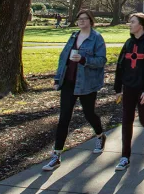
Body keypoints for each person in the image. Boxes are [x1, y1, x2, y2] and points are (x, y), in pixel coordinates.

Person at [43, 10, 107, 171]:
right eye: (80, 19)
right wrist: (58, 79)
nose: (82, 21)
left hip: (87, 84)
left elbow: (101, 61)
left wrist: (84, 60)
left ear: (91, 21)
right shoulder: (73, 36)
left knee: (89, 113)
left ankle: (100, 135)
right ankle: (56, 155)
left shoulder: (96, 38)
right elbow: (63, 58)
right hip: (69, 83)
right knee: (64, 118)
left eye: (85, 19)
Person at [113, 12, 144, 171]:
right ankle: (125, 157)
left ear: (140, 24)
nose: (130, 24)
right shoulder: (128, 43)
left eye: (132, 22)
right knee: (126, 121)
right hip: (129, 88)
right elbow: (120, 66)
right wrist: (117, 88)